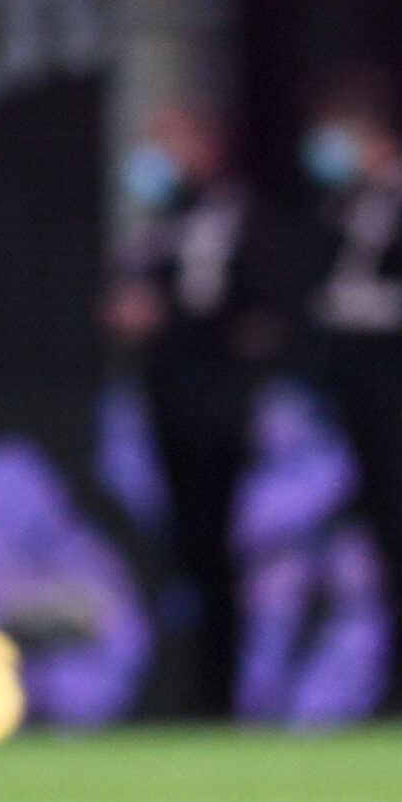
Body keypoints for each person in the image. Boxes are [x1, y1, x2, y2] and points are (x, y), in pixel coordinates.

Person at [105, 102, 281, 719]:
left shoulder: (229, 215)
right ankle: (192, 688)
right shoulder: (162, 220)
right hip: (170, 404)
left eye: (168, 141)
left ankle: (221, 694)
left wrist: (167, 316)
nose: (154, 156)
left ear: (206, 147)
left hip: (215, 408)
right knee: (185, 549)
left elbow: (253, 313)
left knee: (215, 548)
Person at [293, 69, 402, 717]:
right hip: (354, 395)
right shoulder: (340, 207)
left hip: (400, 396)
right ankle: (395, 676)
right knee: (380, 539)